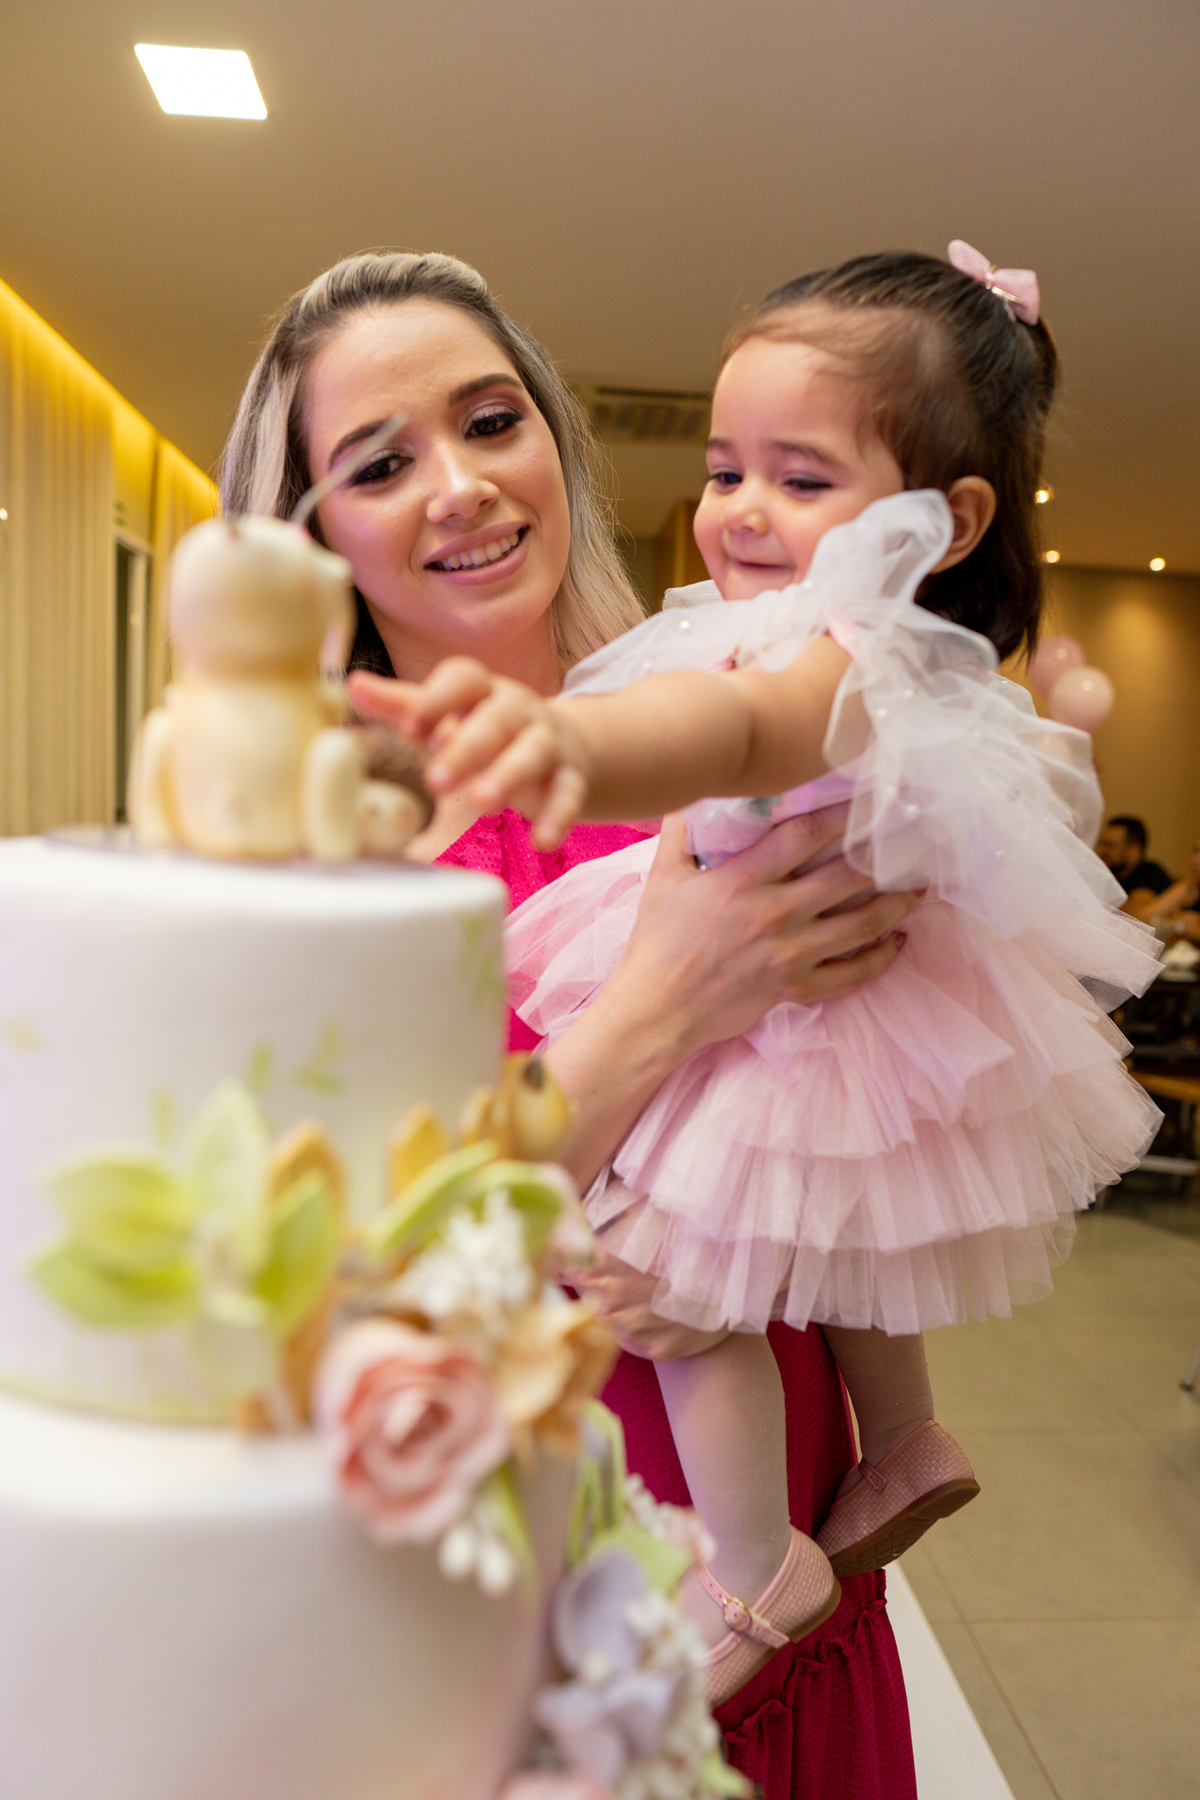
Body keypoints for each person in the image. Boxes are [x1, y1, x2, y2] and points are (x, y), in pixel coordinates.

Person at [366, 246, 1164, 1701]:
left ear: (943, 521)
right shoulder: (873, 658)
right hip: (511, 1543)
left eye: (799, 478)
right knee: (746, 1256)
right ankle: (893, 1444)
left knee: (674, 1277)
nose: (738, 508)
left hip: (781, 1058)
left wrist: (567, 746)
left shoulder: (817, 658)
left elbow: (733, 737)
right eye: (725, 469)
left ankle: (758, 1558)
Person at [219, 250, 923, 1797]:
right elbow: (327, 1288)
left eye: (493, 422)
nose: (462, 485)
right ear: (311, 540)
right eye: (380, 465)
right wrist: (666, 1002)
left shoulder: (730, 741)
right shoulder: (297, 860)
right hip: (536, 1602)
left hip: (787, 1563)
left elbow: (892, 1137)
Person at [1096, 815, 1173, 920]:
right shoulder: (1106, 874)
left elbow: (1133, 914)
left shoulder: (1151, 873)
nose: (1104, 851)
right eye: (1102, 844)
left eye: (1111, 846)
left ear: (1134, 850)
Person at [1144, 837, 1200, 947]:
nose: (1195, 860)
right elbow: (1142, 920)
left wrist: (1185, 929)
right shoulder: (1190, 885)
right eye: (1196, 851)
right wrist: (1178, 924)